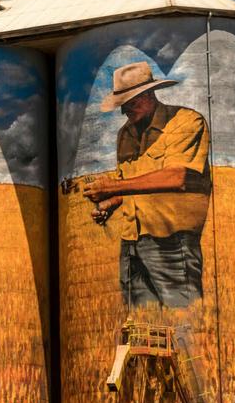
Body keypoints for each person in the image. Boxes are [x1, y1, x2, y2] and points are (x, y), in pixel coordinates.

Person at [83, 62, 211, 309]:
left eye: (130, 103)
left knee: (184, 319)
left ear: (149, 94)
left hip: (172, 242)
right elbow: (130, 187)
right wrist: (109, 204)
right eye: (122, 105)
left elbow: (176, 176)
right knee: (141, 326)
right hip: (131, 242)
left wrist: (112, 188)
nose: (125, 112)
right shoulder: (125, 134)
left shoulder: (185, 122)